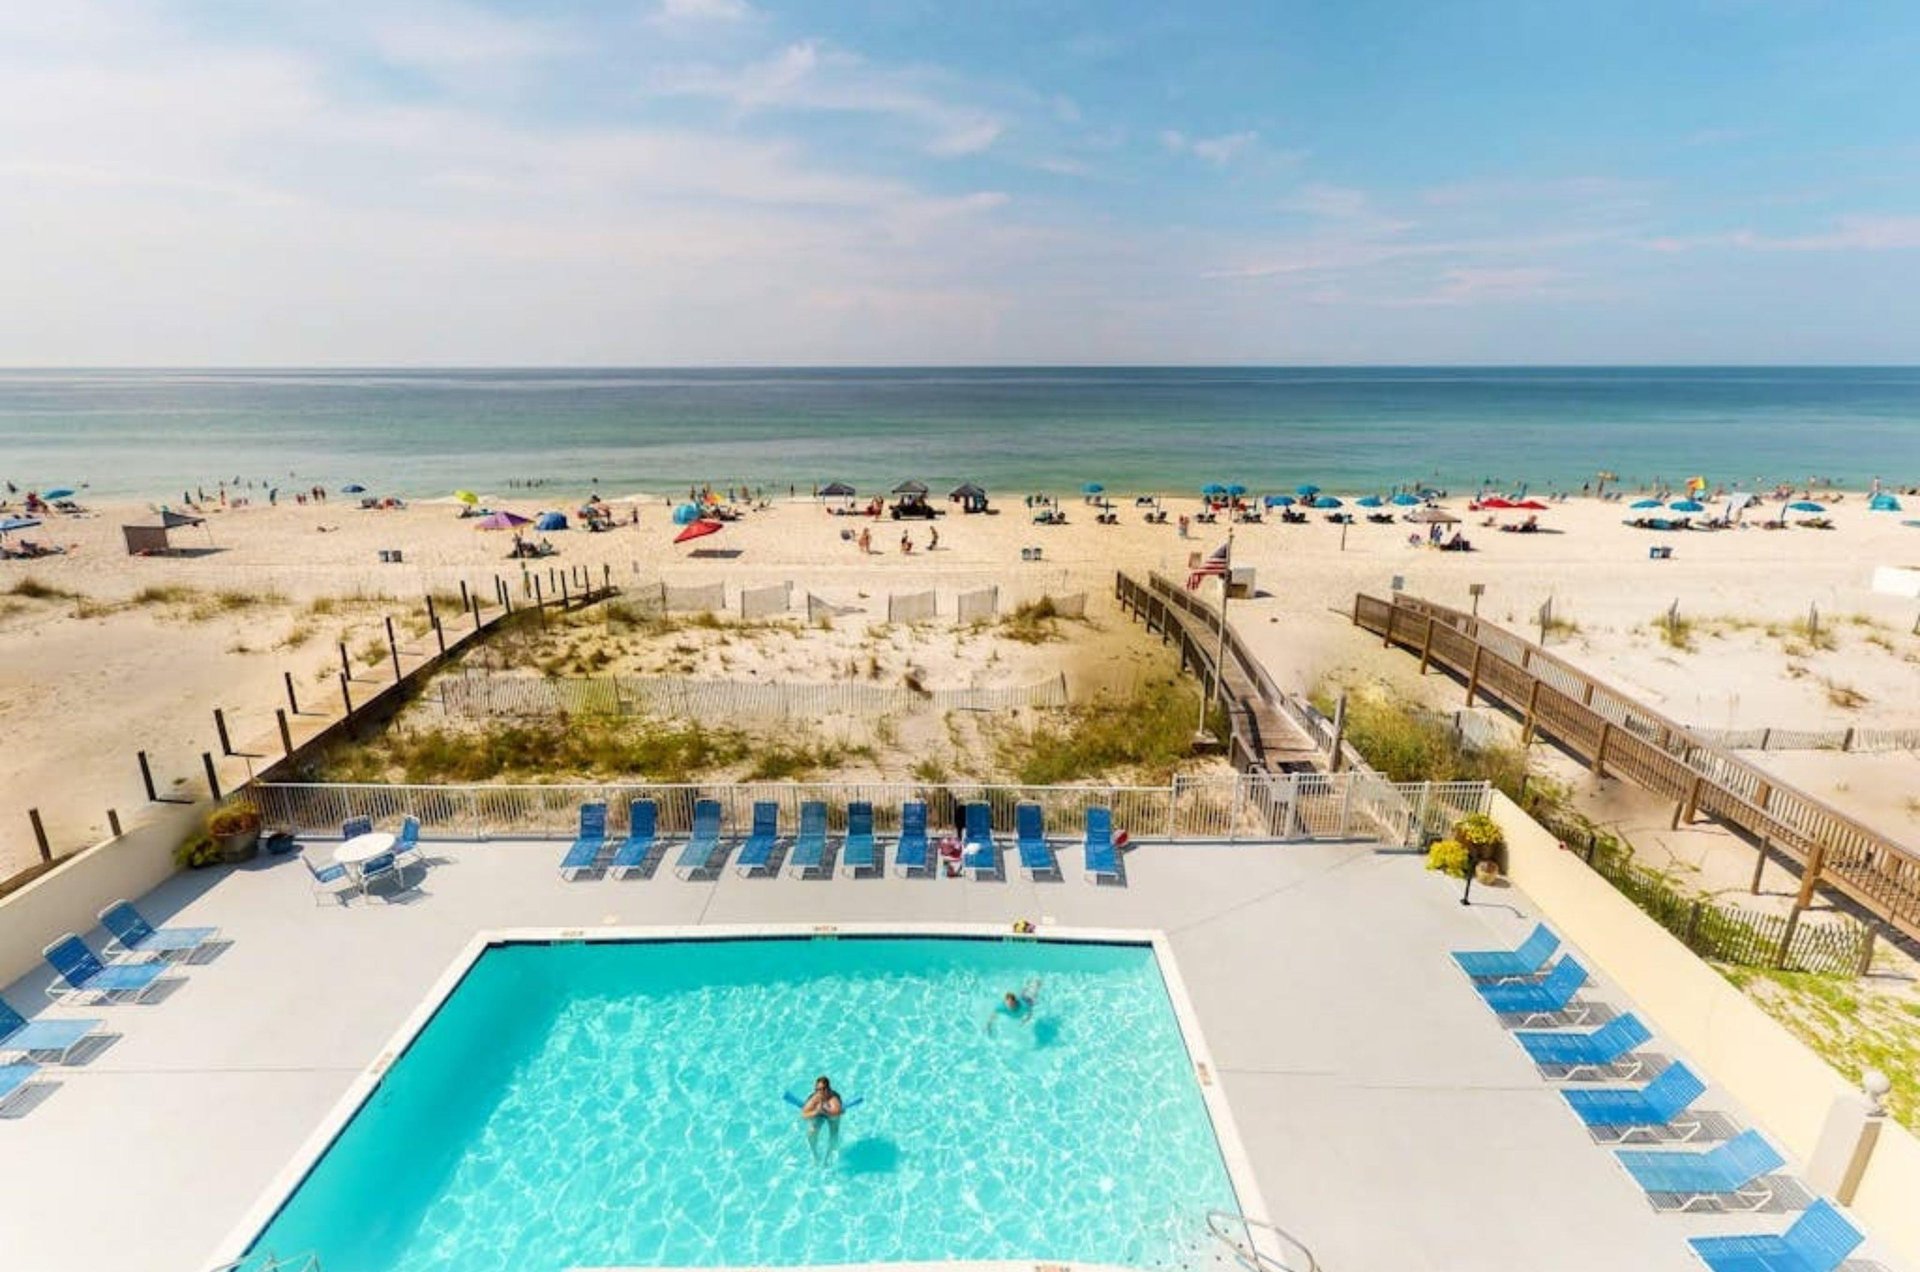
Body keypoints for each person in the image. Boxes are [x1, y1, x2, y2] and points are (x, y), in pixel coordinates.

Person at [799, 1075, 844, 1164]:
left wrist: (825, 1111)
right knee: (811, 1133)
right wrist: (816, 1111)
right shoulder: (814, 1099)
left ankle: (828, 1157)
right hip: (818, 1113)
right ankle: (815, 1155)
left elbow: (837, 1113)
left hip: (830, 1113)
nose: (820, 1092)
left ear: (828, 1089)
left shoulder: (833, 1099)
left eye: (823, 1089)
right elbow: (803, 1115)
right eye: (817, 1089)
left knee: (834, 1133)